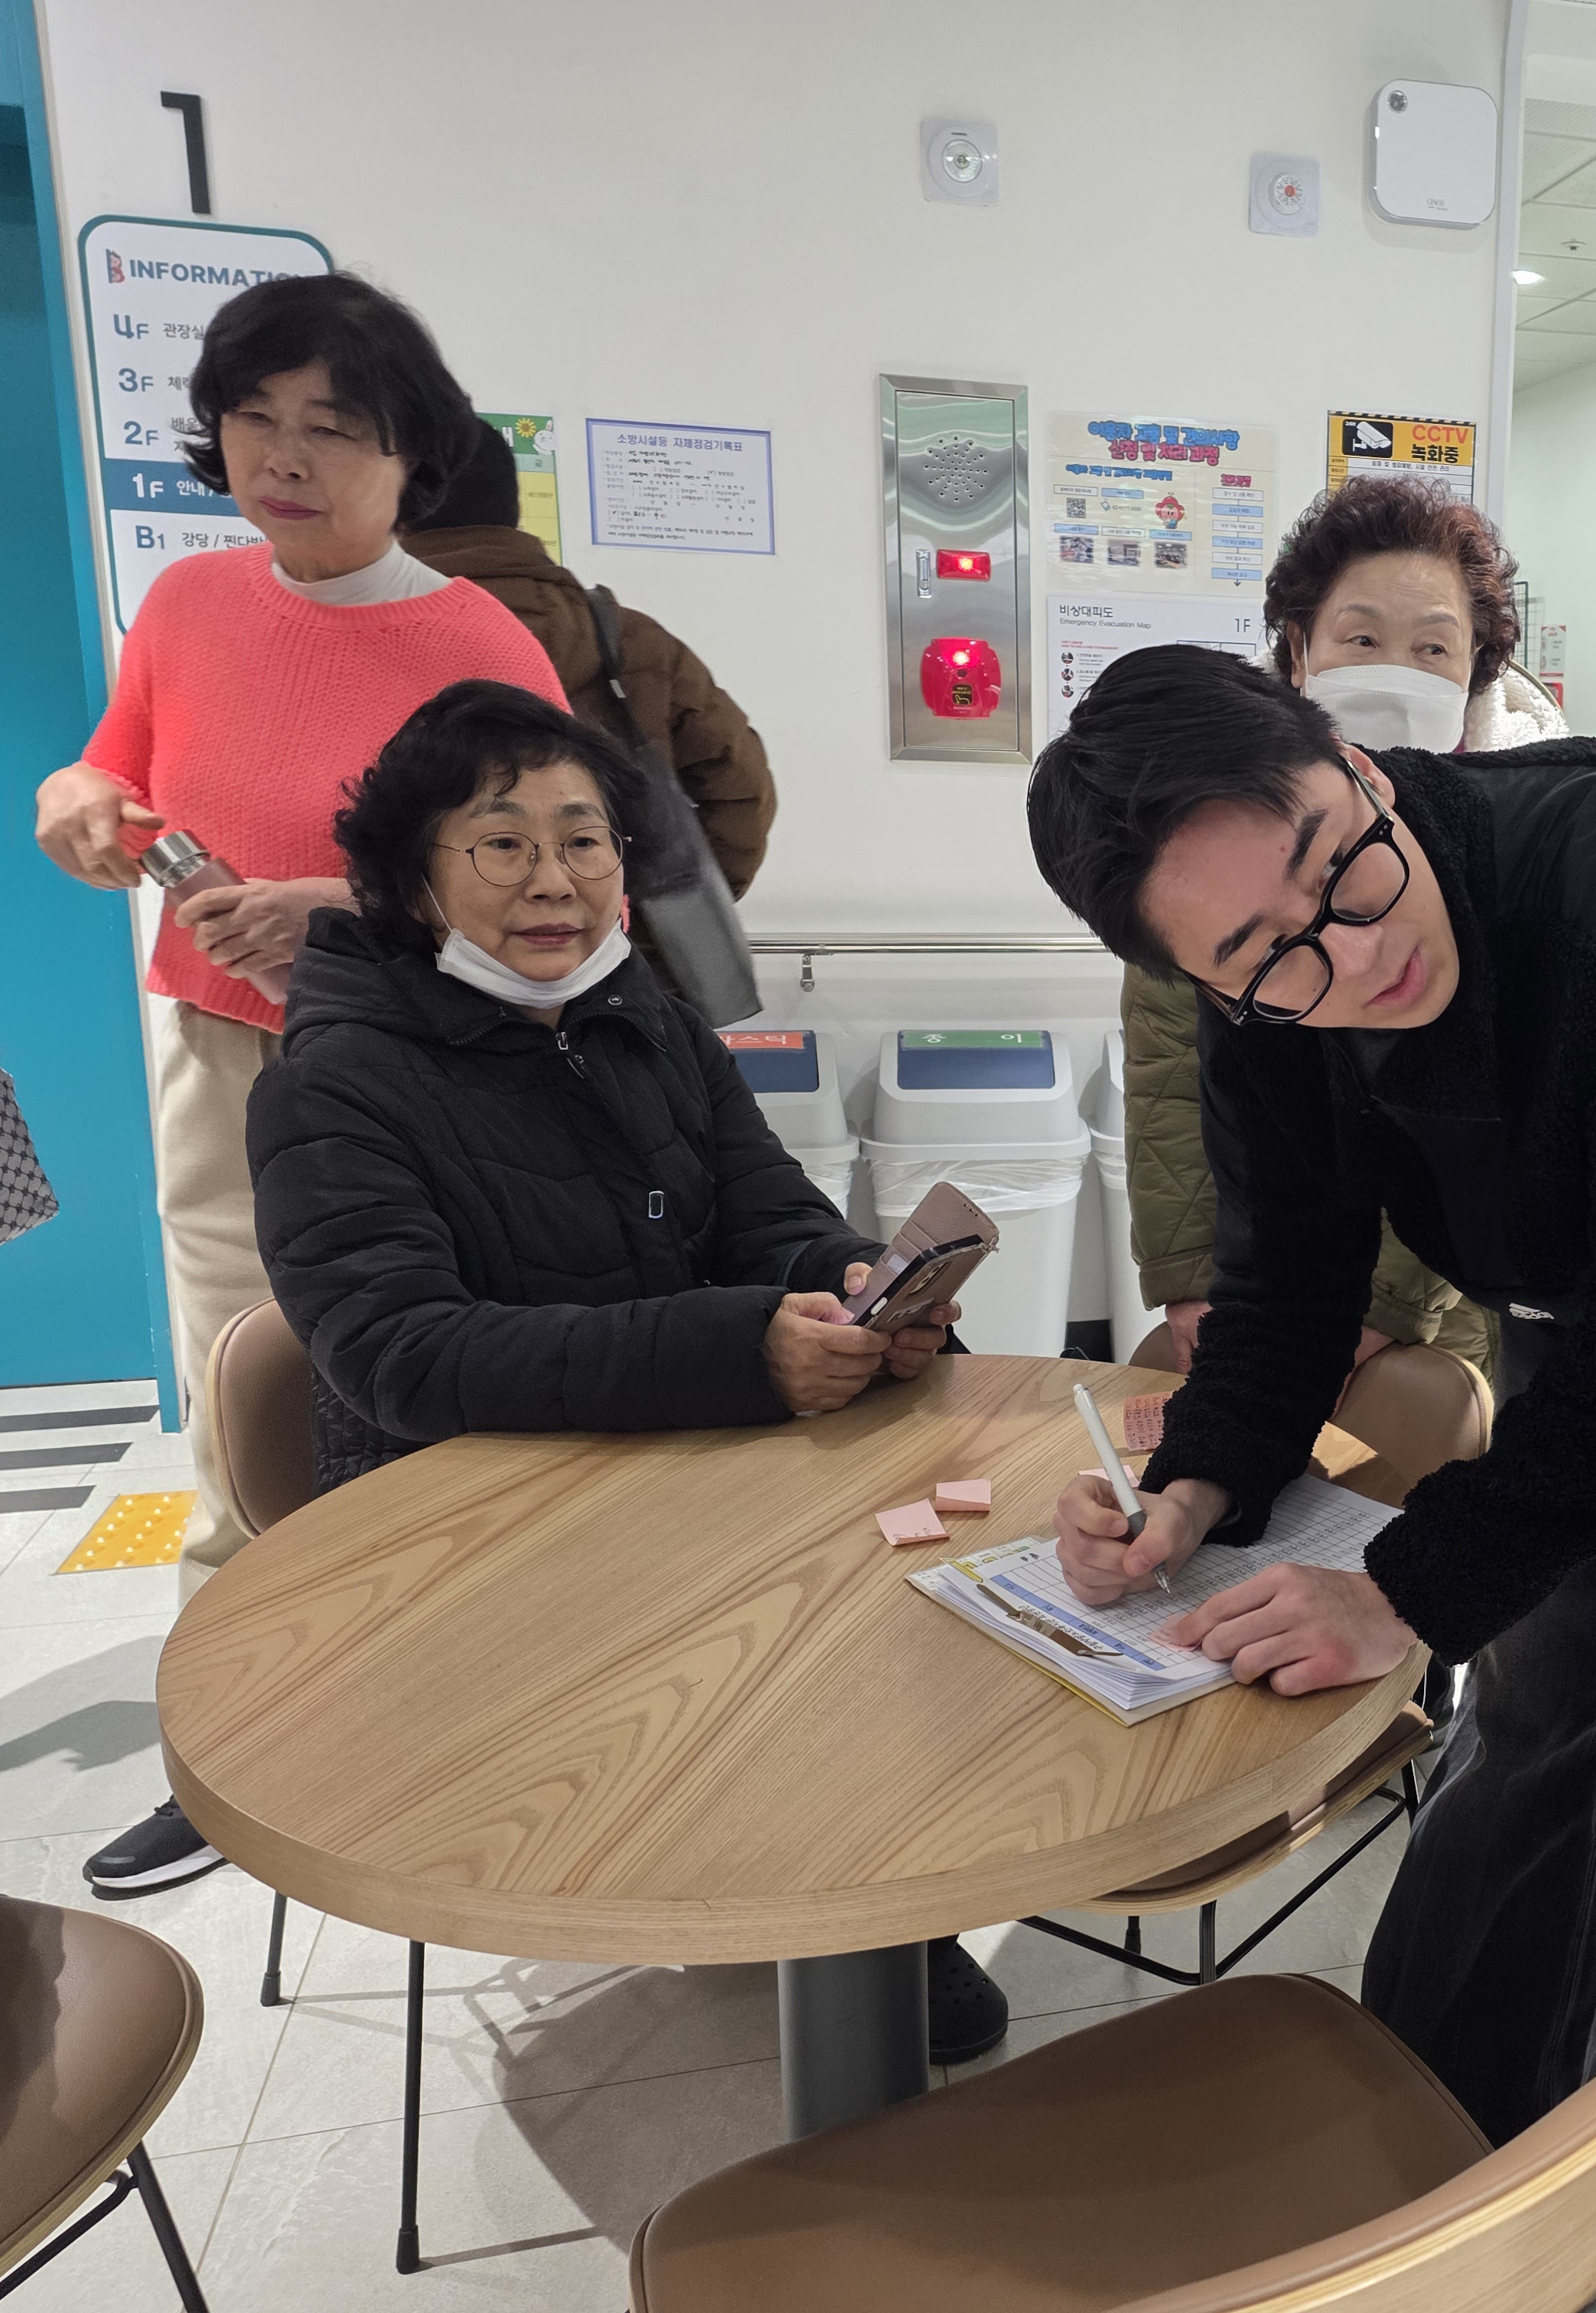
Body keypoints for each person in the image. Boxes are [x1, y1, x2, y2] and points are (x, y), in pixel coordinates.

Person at [1025, 644, 1596, 2306]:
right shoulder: (1269, 1009)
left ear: (1360, 765)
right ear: (1206, 984)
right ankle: (1457, 2142)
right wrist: (1194, 1488)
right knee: (1530, 1721)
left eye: (1336, 867)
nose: (1353, 950)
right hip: (1577, 1321)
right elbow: (1288, 1287)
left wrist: (1404, 1592)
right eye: (1267, 959)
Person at [241, 677, 1004, 2064]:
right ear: (411, 880)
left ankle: (865, 1882)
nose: (556, 881)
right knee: (797, 1620)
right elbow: (402, 1354)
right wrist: (740, 1348)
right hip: (457, 1515)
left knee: (930, 1558)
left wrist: (853, 1288)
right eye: (503, 842)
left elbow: (764, 1214)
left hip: (669, 1454)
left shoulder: (643, 1016)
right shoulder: (331, 1079)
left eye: (584, 840)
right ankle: (816, 1889)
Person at [39, 273, 568, 1901]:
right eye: (251, 420)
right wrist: (78, 791)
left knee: (415, 1387)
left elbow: (552, 885)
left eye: (330, 428)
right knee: (232, 1387)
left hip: (420, 1062)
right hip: (219, 1048)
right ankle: (231, 1746)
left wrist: (338, 904)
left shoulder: (477, 644)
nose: (282, 457)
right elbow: (118, 759)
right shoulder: (189, 604)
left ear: (409, 453)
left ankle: (439, 1711)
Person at [1120, 475, 1564, 1382]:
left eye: (1432, 647)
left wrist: (1384, 1310)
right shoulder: (1216, 826)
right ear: (1298, 647)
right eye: (1362, 639)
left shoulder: (1534, 839)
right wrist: (1197, 1280)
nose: (1396, 672)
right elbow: (1169, 1074)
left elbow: (1505, 1108)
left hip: (1459, 1299)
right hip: (1269, 1284)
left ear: (1477, 668)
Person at [405, 426, 779, 900]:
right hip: (611, 930)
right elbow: (741, 785)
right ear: (513, 510)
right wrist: (665, 906)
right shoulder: (630, 638)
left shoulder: (356, 641)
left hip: (420, 938)